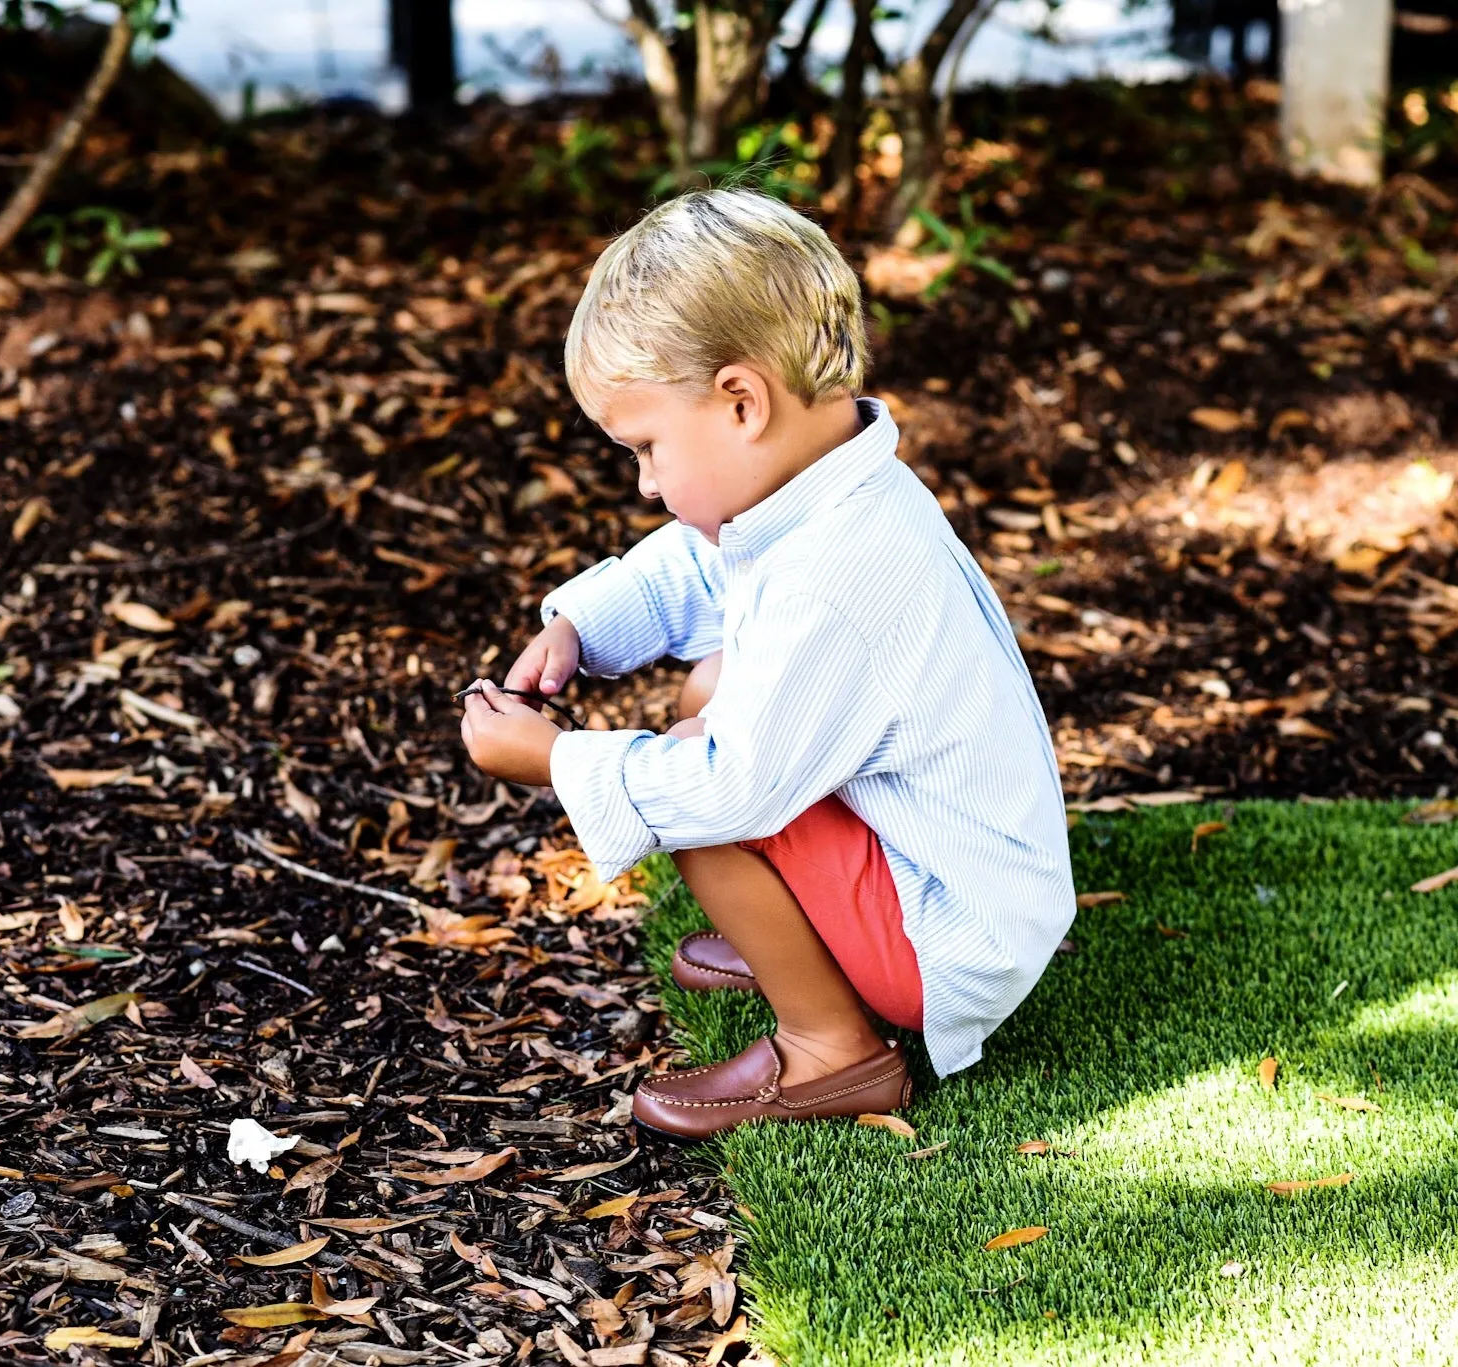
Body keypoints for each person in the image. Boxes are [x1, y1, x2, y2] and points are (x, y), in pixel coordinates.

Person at [458, 188, 1074, 1139]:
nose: (647, 482)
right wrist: (578, 624)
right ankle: (805, 940)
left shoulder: (838, 572)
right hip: (962, 877)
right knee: (710, 697)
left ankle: (832, 1046)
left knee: (700, 795)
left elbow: (728, 790)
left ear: (742, 401)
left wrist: (555, 759)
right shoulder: (836, 489)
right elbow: (705, 563)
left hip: (946, 939)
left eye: (648, 447)